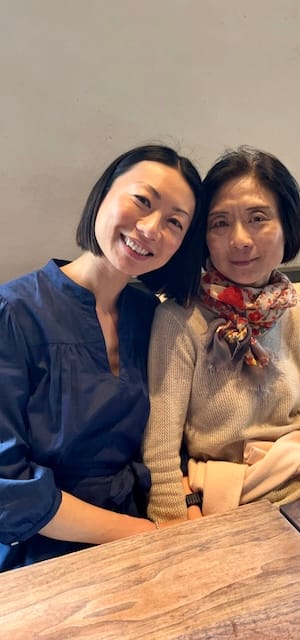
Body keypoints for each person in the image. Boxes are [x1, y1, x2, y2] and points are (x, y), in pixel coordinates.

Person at [0, 143, 205, 571]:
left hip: (148, 537)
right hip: (38, 555)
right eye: (142, 201)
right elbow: (8, 488)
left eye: (174, 223)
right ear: (104, 194)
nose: (150, 228)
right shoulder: (14, 313)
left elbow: (176, 439)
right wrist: (142, 536)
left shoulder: (155, 318)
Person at [143, 145, 300, 523]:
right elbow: (160, 451)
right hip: (225, 505)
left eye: (258, 218)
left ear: (287, 226)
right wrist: (178, 525)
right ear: (203, 237)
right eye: (220, 223)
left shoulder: (290, 310)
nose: (240, 239)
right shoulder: (178, 319)